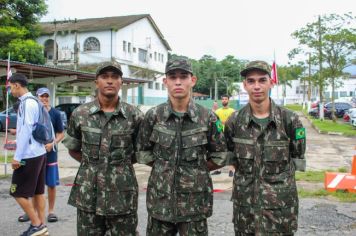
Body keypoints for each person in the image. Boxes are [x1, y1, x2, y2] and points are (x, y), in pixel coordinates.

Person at [136, 57, 229, 235]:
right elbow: (142, 150)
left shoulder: (208, 117)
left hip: (195, 204)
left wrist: (198, 169)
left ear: (192, 80)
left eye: (183, 76)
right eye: (172, 77)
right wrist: (163, 168)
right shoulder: (153, 116)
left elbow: (220, 155)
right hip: (160, 202)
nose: (178, 81)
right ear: (165, 82)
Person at [224, 60, 306, 235]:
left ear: (271, 82)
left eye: (262, 80)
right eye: (251, 81)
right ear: (245, 85)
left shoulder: (289, 120)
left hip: (280, 209)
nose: (257, 86)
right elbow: (231, 156)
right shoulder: (235, 121)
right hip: (245, 209)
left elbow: (297, 156)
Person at [62, 62, 143, 235]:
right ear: (96, 81)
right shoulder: (80, 114)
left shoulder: (134, 115)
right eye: (104, 77)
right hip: (88, 194)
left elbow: (140, 152)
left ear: (121, 82)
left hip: (122, 194)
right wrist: (94, 164)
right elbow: (73, 148)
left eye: (115, 77)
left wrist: (119, 165)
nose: (110, 81)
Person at [8, 73, 48, 236]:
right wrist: (17, 142)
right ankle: (42, 225)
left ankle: (36, 224)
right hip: (39, 152)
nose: (11, 90)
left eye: (11, 87)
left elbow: (25, 130)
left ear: (17, 85)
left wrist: (17, 156)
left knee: (16, 192)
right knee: (38, 192)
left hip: (29, 156)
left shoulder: (26, 104)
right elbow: (29, 131)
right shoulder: (35, 102)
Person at [18, 88, 65, 224]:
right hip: (35, 154)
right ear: (37, 97)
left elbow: (61, 133)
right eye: (41, 97)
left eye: (46, 97)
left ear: (49, 98)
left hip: (50, 154)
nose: (44, 99)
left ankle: (50, 211)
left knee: (50, 184)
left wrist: (52, 143)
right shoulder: (33, 110)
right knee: (34, 185)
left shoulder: (55, 113)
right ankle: (31, 211)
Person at [214, 94, 235, 177]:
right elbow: (216, 122)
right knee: (219, 152)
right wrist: (220, 131)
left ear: (228, 100)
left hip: (230, 134)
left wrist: (225, 123)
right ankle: (218, 169)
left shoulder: (233, 111)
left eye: (226, 99)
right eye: (223, 99)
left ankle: (231, 170)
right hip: (220, 134)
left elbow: (233, 123)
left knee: (231, 152)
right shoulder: (217, 111)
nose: (224, 100)